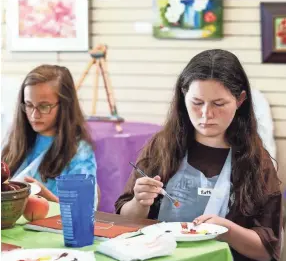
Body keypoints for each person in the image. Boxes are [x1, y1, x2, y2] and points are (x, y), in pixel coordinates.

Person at [115, 49, 282, 261]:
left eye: (219, 104)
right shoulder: (162, 146)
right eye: (197, 102)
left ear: (240, 100)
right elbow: (124, 220)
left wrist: (227, 231)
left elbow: (269, 251)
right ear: (184, 96)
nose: (206, 114)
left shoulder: (257, 161)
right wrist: (139, 203)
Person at [1, 65, 98, 207]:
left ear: (65, 105)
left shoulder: (79, 152)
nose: (34, 115)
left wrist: (47, 198)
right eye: (28, 105)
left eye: (44, 106)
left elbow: (84, 210)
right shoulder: (16, 141)